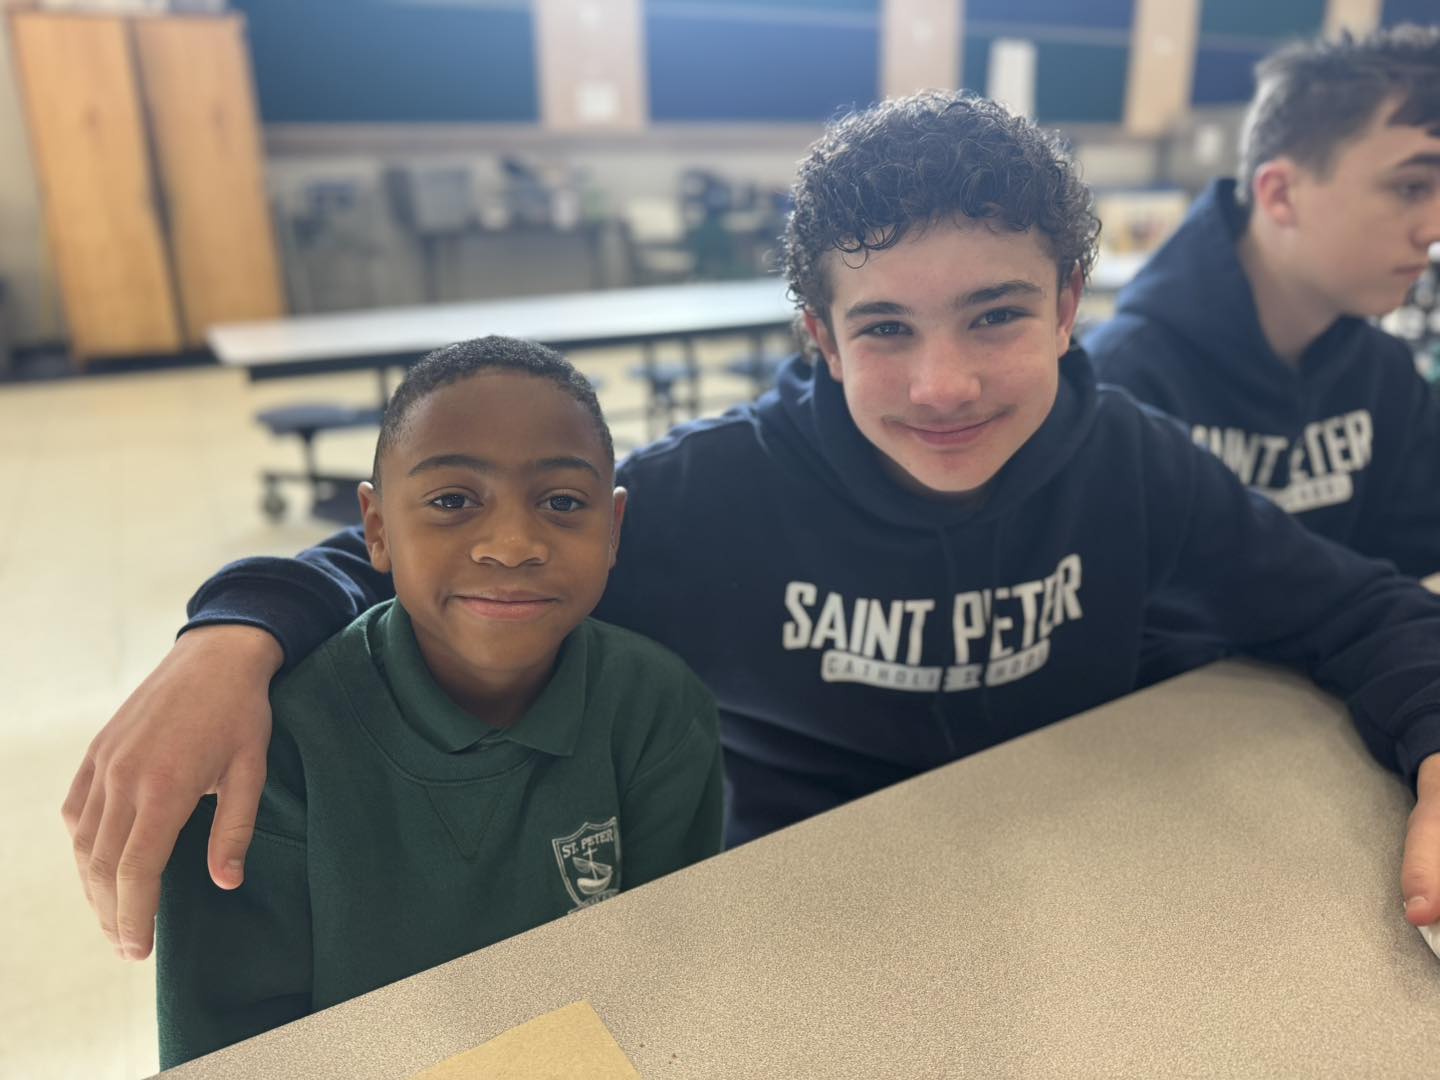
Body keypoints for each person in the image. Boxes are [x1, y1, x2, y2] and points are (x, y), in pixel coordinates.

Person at [65, 92, 1440, 971]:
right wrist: (234, 634)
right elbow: (434, 560)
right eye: (886, 329)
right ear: (819, 339)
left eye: (998, 316)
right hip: (792, 924)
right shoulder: (714, 495)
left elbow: (1359, 606)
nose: (945, 384)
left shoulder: (1128, 461)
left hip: (1060, 885)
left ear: (1071, 306)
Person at [154, 338, 723, 1067]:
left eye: (562, 502)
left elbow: (666, 985)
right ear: (378, 529)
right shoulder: (270, 753)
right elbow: (229, 1057)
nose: (512, 544)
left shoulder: (658, 710)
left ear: (611, 530)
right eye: (453, 501)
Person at [1088, 25, 1440, 576]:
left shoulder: (1386, 375)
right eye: (1411, 188)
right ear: (1280, 194)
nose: (1433, 229)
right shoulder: (1123, 381)